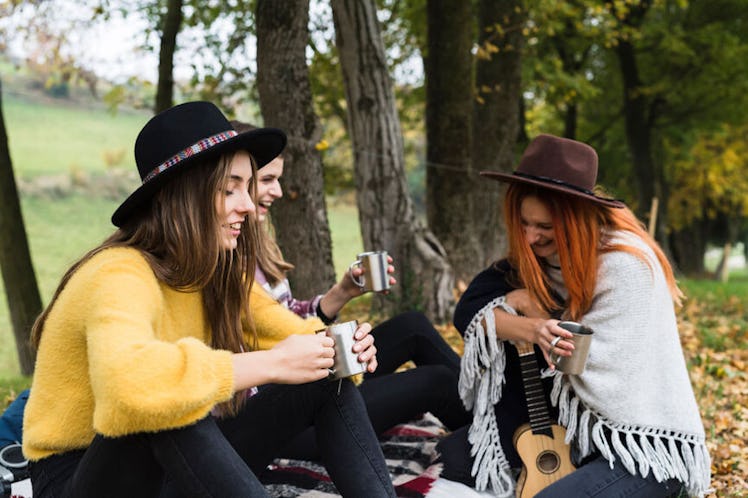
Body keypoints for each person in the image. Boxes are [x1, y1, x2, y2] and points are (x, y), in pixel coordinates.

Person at [22, 101, 397, 498]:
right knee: (166, 405)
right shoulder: (118, 272)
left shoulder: (214, 273)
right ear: (183, 194)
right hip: (81, 479)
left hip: (173, 468)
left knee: (326, 374)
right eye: (229, 188)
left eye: (248, 188)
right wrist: (272, 363)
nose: (249, 206)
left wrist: (342, 348)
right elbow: (128, 388)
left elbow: (297, 335)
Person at [435, 134, 710, 497]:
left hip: (640, 449)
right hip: (577, 439)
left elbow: (592, 364)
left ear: (574, 220)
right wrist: (529, 325)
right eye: (524, 223)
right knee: (449, 462)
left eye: (544, 227)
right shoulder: (545, 261)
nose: (531, 237)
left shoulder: (625, 266)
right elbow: (469, 311)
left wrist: (544, 333)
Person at [238, 134, 471, 459]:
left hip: (309, 381)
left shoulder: (256, 245)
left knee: (413, 327)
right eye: (267, 180)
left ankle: (491, 426)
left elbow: (289, 316)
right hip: (288, 422)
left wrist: (344, 291)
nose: (277, 191)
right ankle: (496, 442)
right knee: (435, 382)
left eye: (278, 179)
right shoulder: (221, 262)